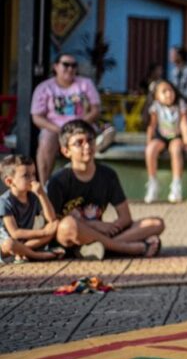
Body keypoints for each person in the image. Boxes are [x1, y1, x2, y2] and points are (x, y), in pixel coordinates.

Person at [48, 120, 164, 259]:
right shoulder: (58, 180)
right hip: (74, 237)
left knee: (156, 223)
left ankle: (102, 248)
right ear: (66, 151)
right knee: (67, 226)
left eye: (90, 140)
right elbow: (53, 223)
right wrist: (96, 225)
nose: (87, 146)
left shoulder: (108, 175)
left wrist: (113, 226)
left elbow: (125, 217)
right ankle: (127, 248)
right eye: (79, 143)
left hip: (103, 234)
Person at [30, 53, 115, 182]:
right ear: (56, 67)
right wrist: (60, 129)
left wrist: (76, 126)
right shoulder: (44, 87)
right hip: (55, 129)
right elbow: (36, 117)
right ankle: (44, 186)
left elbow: (95, 110)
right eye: (66, 65)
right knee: (46, 138)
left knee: (101, 134)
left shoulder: (85, 84)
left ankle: (87, 179)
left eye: (74, 65)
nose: (70, 69)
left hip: (82, 127)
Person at [0, 154, 63, 262]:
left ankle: (23, 252)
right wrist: (43, 232)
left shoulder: (33, 196)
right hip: (6, 244)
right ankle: (37, 255)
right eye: (26, 176)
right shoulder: (4, 202)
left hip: (25, 242)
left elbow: (51, 218)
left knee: (55, 225)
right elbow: (15, 233)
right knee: (10, 243)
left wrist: (42, 194)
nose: (32, 179)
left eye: (33, 174)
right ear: (9, 182)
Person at [144, 81, 187, 204]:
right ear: (156, 96)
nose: (168, 94)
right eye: (164, 91)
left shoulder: (180, 105)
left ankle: (176, 185)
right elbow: (152, 125)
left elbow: (184, 123)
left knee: (175, 149)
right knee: (150, 150)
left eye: (170, 90)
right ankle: (152, 184)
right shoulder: (155, 107)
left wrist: (186, 141)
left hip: (176, 136)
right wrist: (149, 141)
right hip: (161, 136)